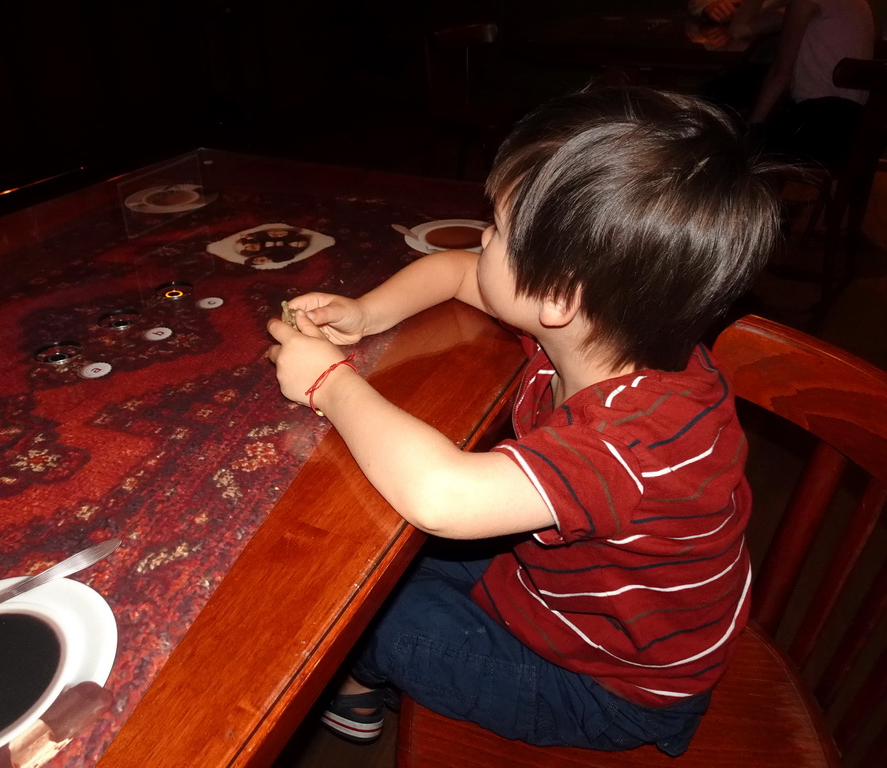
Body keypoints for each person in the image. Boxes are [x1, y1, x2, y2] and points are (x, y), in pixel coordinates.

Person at [266, 87, 783, 755]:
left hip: (608, 689)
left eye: (498, 232)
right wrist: (366, 315)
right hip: (557, 590)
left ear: (559, 296)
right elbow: (457, 273)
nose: (480, 238)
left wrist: (328, 385)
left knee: (349, 614)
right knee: (379, 567)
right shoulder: (615, 335)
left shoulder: (633, 441)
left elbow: (443, 497)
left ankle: (361, 688)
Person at [732, 0, 875, 165]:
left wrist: (753, 127)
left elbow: (780, 72)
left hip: (821, 123)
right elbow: (741, 30)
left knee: (734, 132)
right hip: (855, 127)